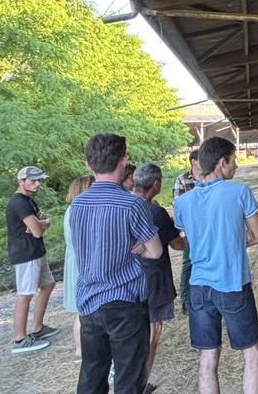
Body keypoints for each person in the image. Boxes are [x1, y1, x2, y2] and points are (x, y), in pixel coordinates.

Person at [69, 134, 162, 394]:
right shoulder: (132, 204)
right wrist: (140, 247)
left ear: (89, 165)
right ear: (123, 160)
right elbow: (155, 252)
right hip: (124, 302)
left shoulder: (77, 204)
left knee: (92, 374)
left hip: (89, 300)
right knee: (128, 378)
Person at [174, 137, 258, 394]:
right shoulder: (239, 192)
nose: (236, 166)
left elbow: (190, 238)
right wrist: (232, 242)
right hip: (232, 283)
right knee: (251, 353)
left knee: (208, 357)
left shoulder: (183, 202)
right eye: (233, 161)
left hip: (199, 287)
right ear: (221, 162)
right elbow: (257, 236)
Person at [132, 163, 184, 393]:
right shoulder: (156, 213)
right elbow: (178, 244)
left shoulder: (123, 206)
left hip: (127, 281)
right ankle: (140, 384)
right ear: (156, 184)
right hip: (153, 279)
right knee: (152, 332)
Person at [6, 166, 59, 353]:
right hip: (26, 254)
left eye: (39, 180)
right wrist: (40, 225)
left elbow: (42, 222)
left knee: (48, 285)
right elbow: (37, 231)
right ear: (21, 182)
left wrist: (42, 223)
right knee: (25, 294)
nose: (38, 184)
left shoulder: (28, 200)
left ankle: (38, 328)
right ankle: (20, 339)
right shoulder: (19, 203)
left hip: (36, 252)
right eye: (33, 181)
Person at [63, 175, 95, 362]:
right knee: (82, 309)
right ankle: (80, 350)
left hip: (78, 260)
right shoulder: (77, 210)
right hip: (80, 262)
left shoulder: (73, 209)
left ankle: (82, 350)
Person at [172, 149, 201, 314]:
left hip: (206, 229)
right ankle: (186, 301)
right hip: (190, 230)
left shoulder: (208, 177)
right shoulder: (182, 180)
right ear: (193, 162)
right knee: (188, 263)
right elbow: (178, 207)